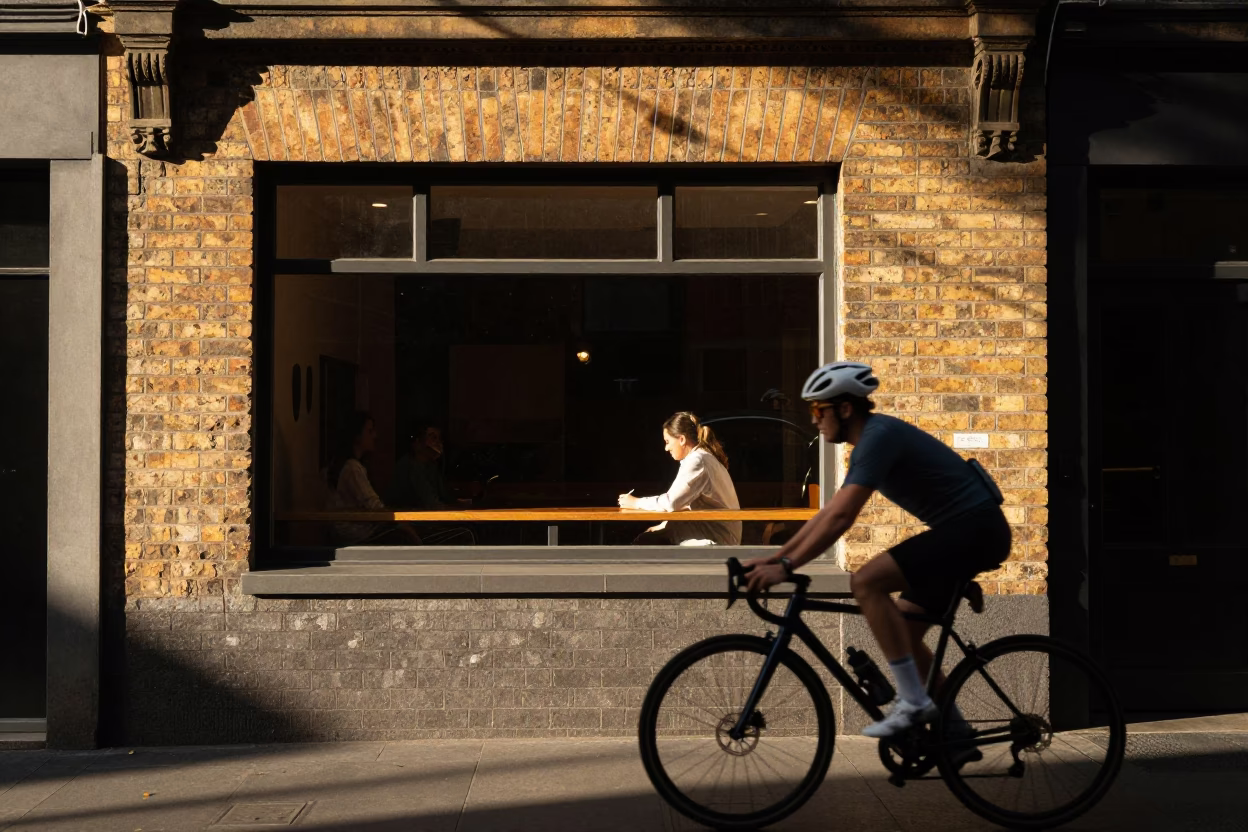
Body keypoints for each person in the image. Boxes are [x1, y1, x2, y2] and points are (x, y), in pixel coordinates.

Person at [742, 362, 1010, 739]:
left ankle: (915, 702)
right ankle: (956, 733)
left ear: (845, 409)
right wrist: (775, 558)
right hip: (966, 533)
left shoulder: (879, 437)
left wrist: (786, 565)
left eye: (818, 410)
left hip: (974, 530)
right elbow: (830, 512)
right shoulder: (872, 442)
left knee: (865, 582)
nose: (815, 420)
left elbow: (841, 518)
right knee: (903, 631)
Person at [618, 412, 742, 546]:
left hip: (717, 539)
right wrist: (664, 526)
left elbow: (671, 502)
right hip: (716, 533)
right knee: (648, 538)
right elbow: (685, 504)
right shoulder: (701, 457)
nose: (666, 448)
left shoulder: (697, 461)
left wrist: (635, 502)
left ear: (682, 439)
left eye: (667, 442)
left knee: (646, 542)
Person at [326, 412, 420, 546]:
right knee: (404, 536)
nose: (375, 436)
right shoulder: (352, 468)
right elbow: (374, 506)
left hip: (354, 531)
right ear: (357, 436)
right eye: (370, 431)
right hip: (354, 534)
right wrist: (401, 524)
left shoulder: (351, 466)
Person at [389, 421, 475, 545]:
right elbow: (432, 505)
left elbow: (444, 497)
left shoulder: (431, 467)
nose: (438, 443)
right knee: (465, 534)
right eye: (433, 438)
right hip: (413, 526)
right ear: (418, 443)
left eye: (439, 438)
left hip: (428, 521)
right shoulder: (411, 466)